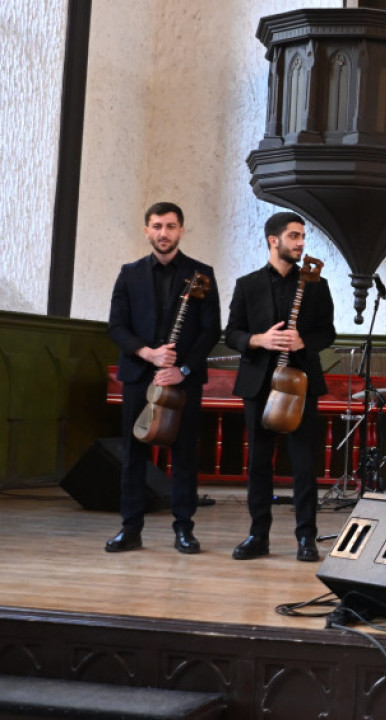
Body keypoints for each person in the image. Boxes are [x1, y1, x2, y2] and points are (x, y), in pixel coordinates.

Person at [105, 202, 220, 554]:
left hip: (181, 380)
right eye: (157, 226)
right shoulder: (129, 273)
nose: (163, 233)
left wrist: (181, 368)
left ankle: (184, 529)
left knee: (184, 456)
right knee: (134, 455)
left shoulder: (202, 273)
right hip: (140, 376)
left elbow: (210, 330)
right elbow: (117, 327)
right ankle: (130, 529)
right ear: (147, 230)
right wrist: (149, 354)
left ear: (181, 230)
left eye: (171, 226)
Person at [224, 211, 336, 562]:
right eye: (294, 236)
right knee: (258, 463)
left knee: (304, 464)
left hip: (300, 382)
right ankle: (258, 535)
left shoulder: (317, 284)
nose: (301, 242)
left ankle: (307, 538)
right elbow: (232, 334)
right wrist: (260, 340)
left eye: (303, 236)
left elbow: (327, 332)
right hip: (259, 384)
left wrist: (304, 341)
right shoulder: (248, 284)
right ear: (274, 240)